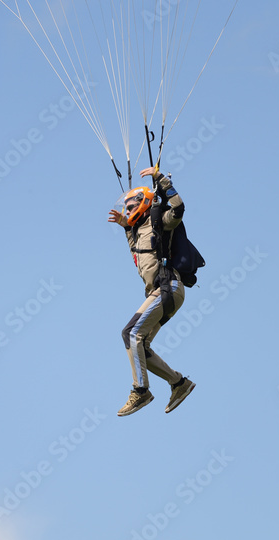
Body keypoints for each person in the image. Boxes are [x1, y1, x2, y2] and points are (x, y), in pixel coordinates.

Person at [107, 166, 196, 416]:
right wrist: (126, 226)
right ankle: (179, 383)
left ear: (144, 202)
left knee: (129, 333)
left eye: (132, 205)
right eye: (126, 207)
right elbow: (138, 252)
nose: (128, 210)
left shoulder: (160, 220)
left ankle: (141, 390)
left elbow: (178, 208)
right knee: (140, 347)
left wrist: (161, 180)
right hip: (159, 294)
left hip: (169, 287)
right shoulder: (136, 232)